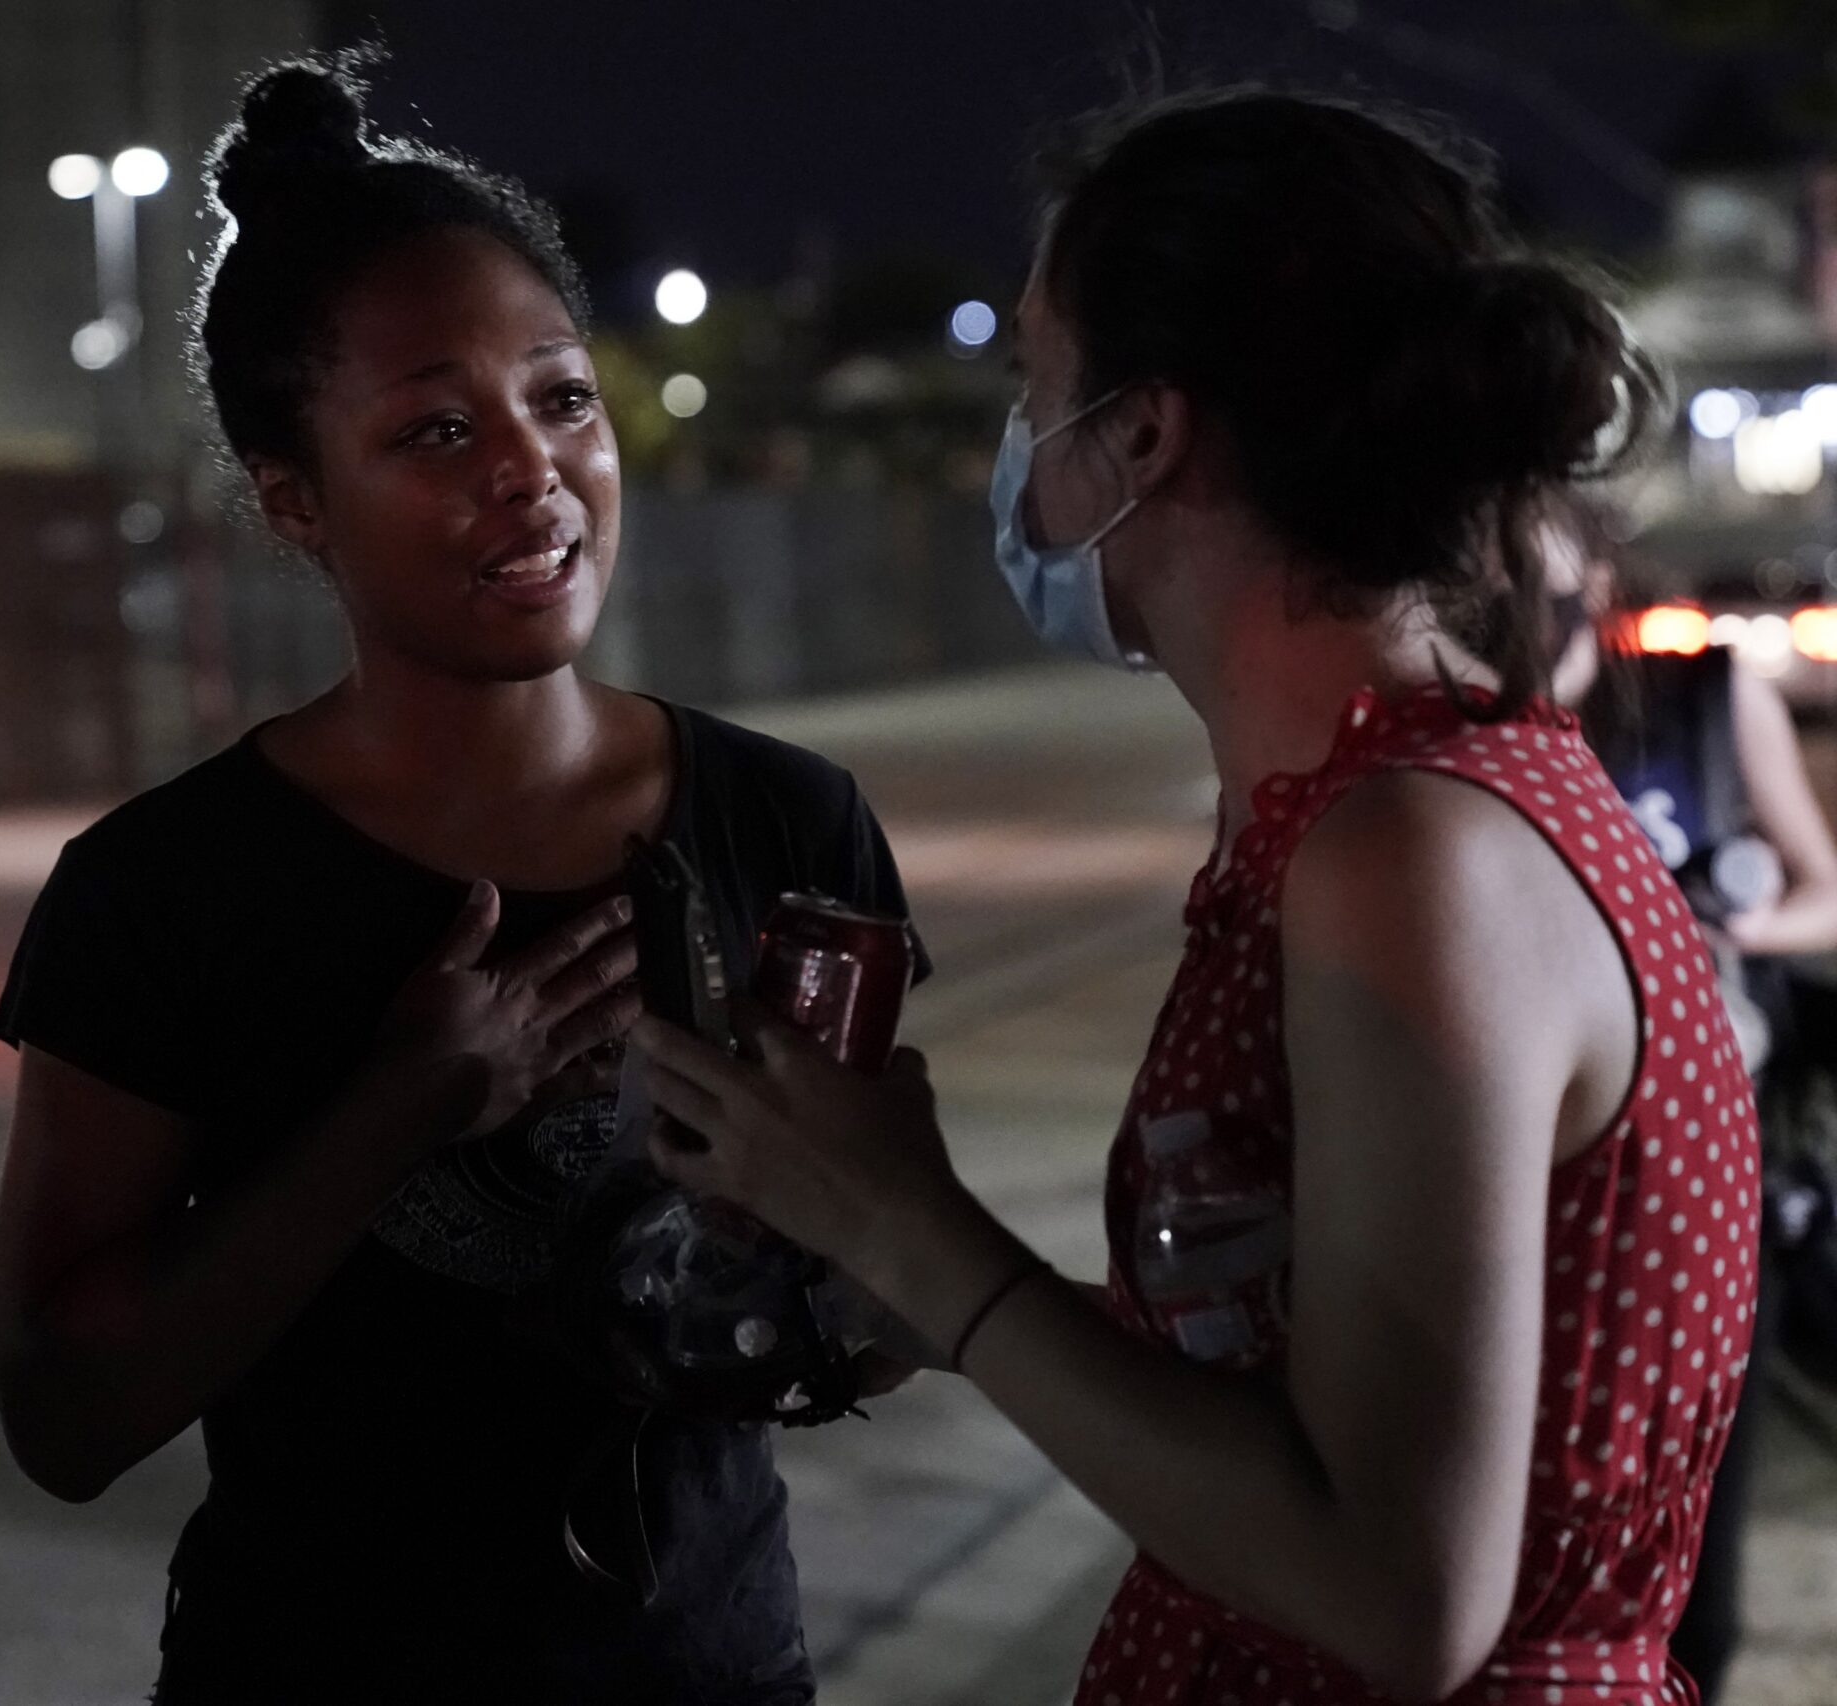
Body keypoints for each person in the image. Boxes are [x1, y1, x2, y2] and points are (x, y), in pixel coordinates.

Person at [632, 88, 1762, 1705]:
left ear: (1147, 436)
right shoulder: (1376, 806)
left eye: (1034, 385)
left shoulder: (1408, 856)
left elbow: (1396, 1594)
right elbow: (1330, 1385)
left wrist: (912, 1225)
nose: (1016, 451)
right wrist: (932, 1297)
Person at [0, 53, 922, 1706]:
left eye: (561, 399)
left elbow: (881, 1330)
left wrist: (840, 1244)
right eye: (436, 426)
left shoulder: (787, 821)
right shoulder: (163, 888)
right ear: (295, 501)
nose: (531, 469)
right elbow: (64, 1417)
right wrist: (396, 1110)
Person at [1540, 502, 1837, 1702]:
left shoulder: (1698, 694)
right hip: (1535, 1183)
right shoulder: (1459, 723)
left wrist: (1711, 929)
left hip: (1701, 1174)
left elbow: (1824, 890)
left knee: (1692, 1575)